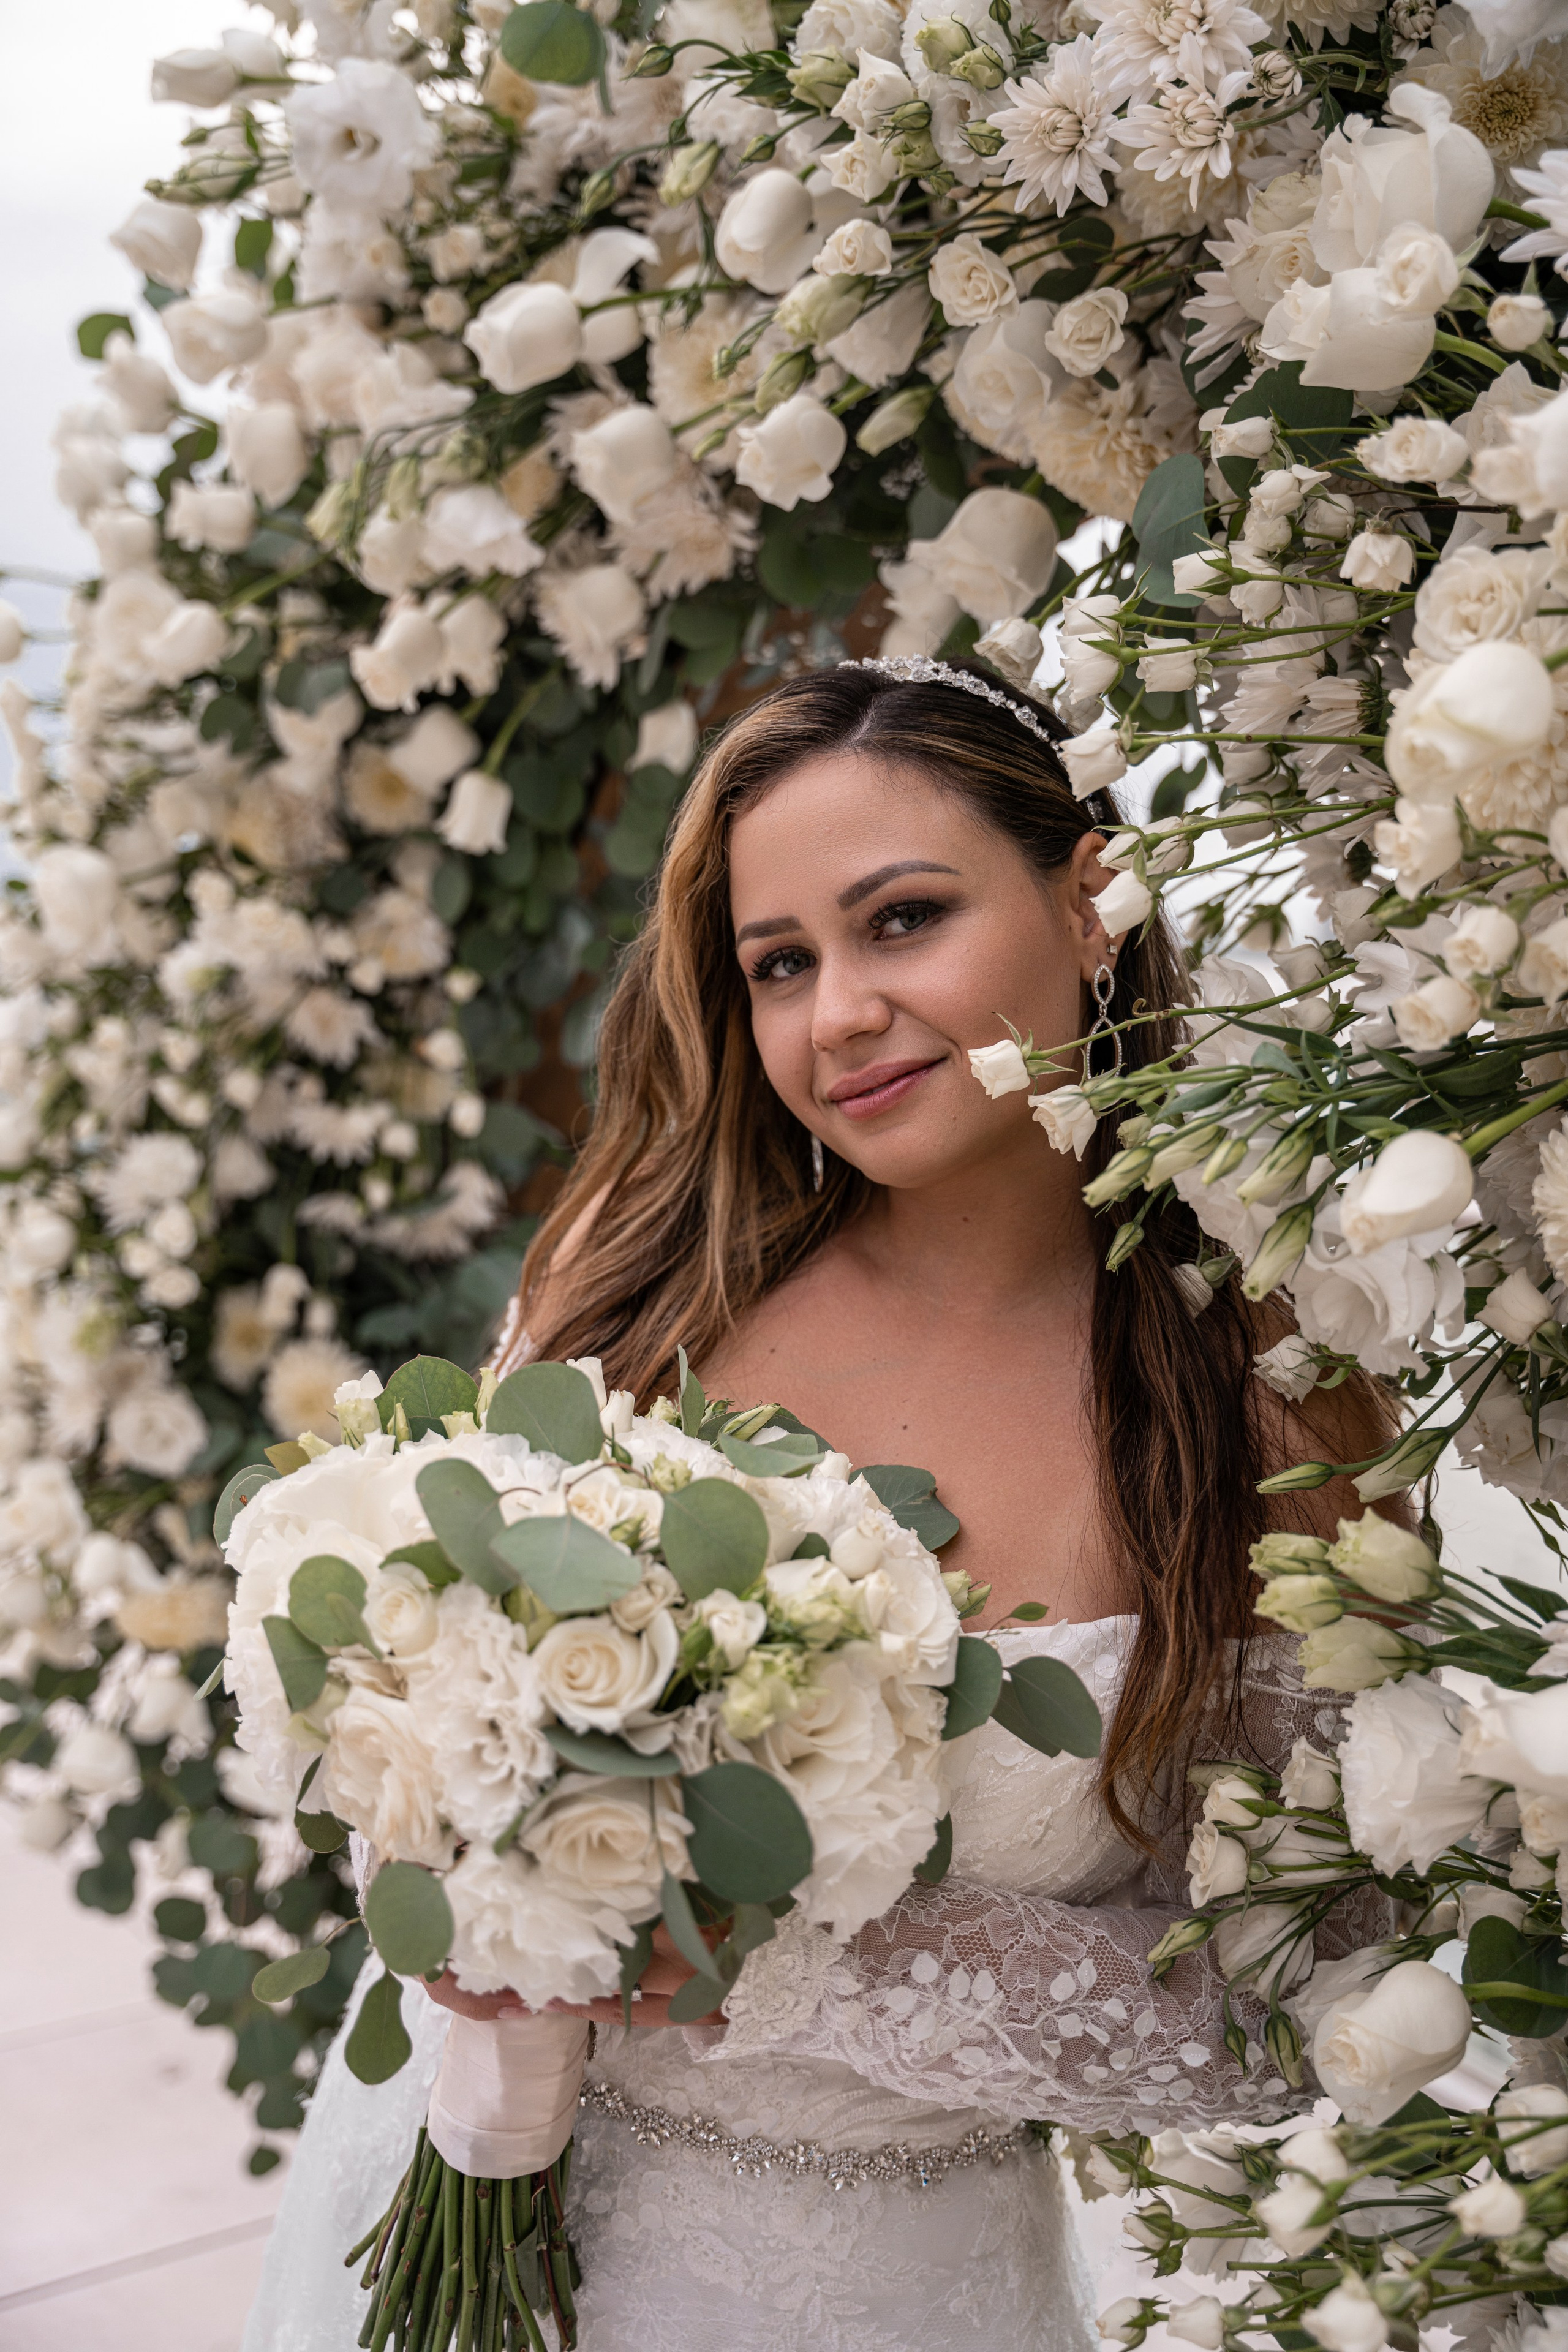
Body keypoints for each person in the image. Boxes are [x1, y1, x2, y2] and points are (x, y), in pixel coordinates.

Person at [243, 658, 1395, 2352]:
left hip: (882, 2287)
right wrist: (466, 1861)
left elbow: (1301, 1994)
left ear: (1092, 902)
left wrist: (778, 1958)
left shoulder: (1262, 1406)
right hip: (444, 2177)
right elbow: (403, 1720)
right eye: (780, 964)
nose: (836, 1013)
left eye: (903, 920)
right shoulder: (635, 1292)